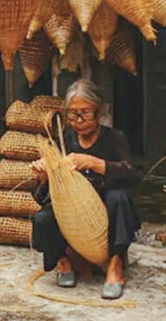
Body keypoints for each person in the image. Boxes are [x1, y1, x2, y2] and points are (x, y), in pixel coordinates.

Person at [29, 79, 142, 300]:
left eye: (85, 113)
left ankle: (115, 264)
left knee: (119, 198)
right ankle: (64, 261)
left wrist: (93, 163)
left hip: (105, 212)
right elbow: (40, 198)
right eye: (73, 114)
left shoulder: (114, 138)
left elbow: (132, 173)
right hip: (73, 215)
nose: (79, 121)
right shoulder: (64, 141)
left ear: (99, 111)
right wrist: (44, 178)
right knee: (42, 219)